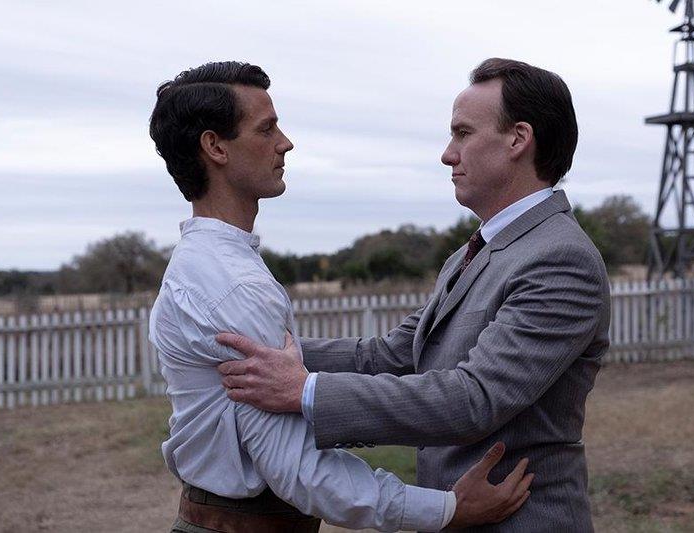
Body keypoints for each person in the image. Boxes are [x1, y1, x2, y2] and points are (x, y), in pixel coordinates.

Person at [217, 58, 611, 532]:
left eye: (463, 134)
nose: (448, 154)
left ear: (518, 139)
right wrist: (257, 350)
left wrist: (304, 390)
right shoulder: (474, 252)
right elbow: (391, 356)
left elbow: (474, 398)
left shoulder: (560, 259)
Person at [147, 60, 533, 533]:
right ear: (215, 147)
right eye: (266, 129)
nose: (285, 142)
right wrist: (446, 510)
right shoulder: (235, 285)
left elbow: (392, 352)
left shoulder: (204, 263)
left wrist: (296, 373)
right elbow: (297, 470)